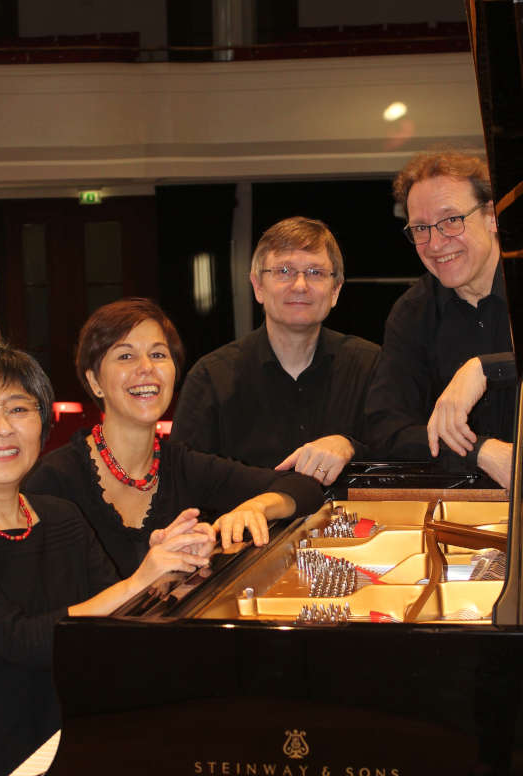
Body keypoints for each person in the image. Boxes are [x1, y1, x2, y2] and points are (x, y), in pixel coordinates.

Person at [0, 344, 214, 776]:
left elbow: (115, 633)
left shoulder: (60, 517)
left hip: (67, 770)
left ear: (42, 422)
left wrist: (167, 571)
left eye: (19, 407)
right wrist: (138, 580)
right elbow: (22, 642)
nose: (3, 427)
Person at [25, 298, 322, 579]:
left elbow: (304, 488)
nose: (146, 368)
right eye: (125, 356)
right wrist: (151, 575)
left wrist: (255, 507)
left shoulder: (183, 466)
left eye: (158, 354)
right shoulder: (53, 480)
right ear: (94, 381)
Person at [170, 216, 380, 485]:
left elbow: (405, 456)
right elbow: (184, 477)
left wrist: (350, 445)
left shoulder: (371, 366)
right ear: (258, 286)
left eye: (315, 272)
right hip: (244, 525)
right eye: (284, 271)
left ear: (335, 290)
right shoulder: (211, 377)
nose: (301, 285)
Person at [366, 150, 515, 488]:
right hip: (460, 509)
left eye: (451, 220)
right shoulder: (412, 313)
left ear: (492, 217)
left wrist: (485, 369)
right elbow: (386, 430)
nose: (435, 243)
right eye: (421, 228)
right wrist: (480, 451)